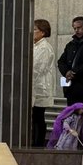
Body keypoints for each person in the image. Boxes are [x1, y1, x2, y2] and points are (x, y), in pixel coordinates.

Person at [32, 19, 59, 147]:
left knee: (38, 116)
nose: (32, 32)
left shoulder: (44, 48)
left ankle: (38, 143)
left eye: (34, 29)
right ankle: (33, 141)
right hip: (35, 86)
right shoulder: (35, 46)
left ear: (42, 32)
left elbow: (37, 68)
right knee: (34, 116)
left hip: (40, 87)